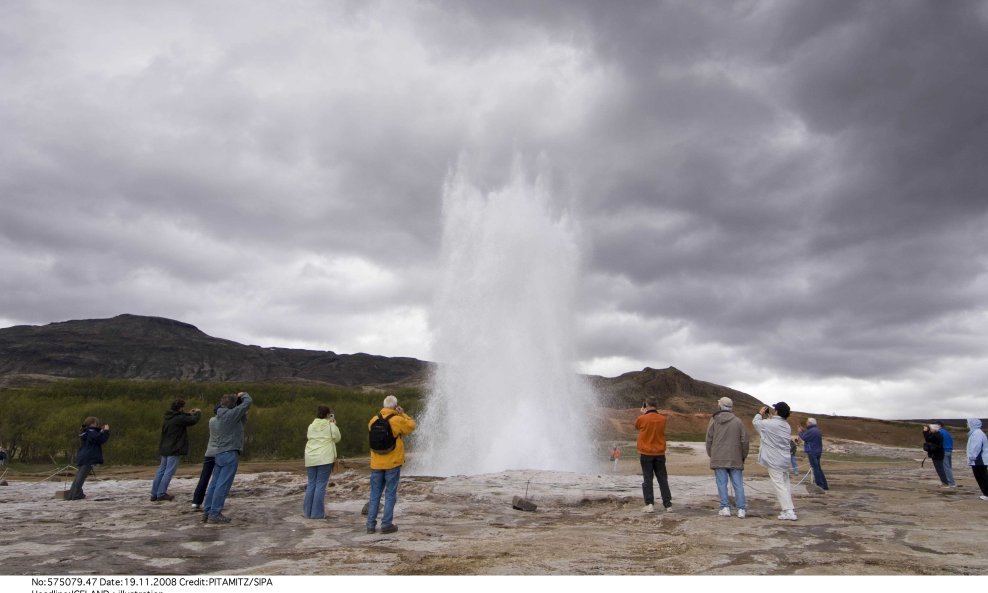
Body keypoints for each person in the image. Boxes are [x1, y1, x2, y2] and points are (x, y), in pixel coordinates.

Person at [366, 395, 416, 534]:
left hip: (376, 463)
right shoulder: (397, 420)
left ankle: (370, 525)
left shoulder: (373, 420)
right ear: (395, 406)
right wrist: (403, 413)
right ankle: (386, 524)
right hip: (392, 463)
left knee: (374, 494)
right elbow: (412, 426)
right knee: (390, 494)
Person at [201, 392, 252, 524]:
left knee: (214, 484)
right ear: (233, 404)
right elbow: (248, 403)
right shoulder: (230, 415)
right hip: (229, 453)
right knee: (223, 485)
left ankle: (207, 511)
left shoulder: (218, 416)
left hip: (219, 453)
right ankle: (215, 513)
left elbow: (241, 420)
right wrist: (244, 394)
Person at [705, 396, 749, 518]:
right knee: (738, 484)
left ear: (720, 405)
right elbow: (744, 441)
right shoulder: (738, 421)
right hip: (735, 457)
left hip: (718, 456)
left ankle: (725, 507)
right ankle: (741, 509)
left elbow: (708, 439)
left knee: (721, 483)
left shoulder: (714, 420)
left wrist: (711, 454)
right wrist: (743, 456)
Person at [753, 402, 797, 521]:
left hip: (774, 460)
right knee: (785, 484)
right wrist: (768, 417)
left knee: (779, 485)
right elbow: (772, 426)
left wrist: (760, 413)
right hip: (784, 459)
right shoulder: (786, 425)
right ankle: (787, 509)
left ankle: (789, 510)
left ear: (777, 411)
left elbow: (756, 423)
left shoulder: (771, 423)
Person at [150, 399, 202, 502]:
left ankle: (154, 493)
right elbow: (192, 421)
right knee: (169, 471)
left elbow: (182, 417)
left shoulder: (168, 417)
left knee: (161, 471)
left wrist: (188, 414)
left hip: (165, 447)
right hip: (174, 448)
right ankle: (161, 493)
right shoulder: (178, 419)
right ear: (180, 408)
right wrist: (198, 413)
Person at [303, 406, 342, 519]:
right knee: (320, 485)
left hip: (310, 457)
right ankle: (317, 514)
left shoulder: (311, 426)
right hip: (325, 457)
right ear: (327, 415)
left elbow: (309, 436)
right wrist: (334, 424)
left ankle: (307, 512)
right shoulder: (330, 426)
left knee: (311, 484)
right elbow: (338, 438)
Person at [635, 399, 672, 513]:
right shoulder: (663, 419)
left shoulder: (642, 418)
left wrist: (643, 413)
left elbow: (637, 426)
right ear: (656, 405)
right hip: (660, 453)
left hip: (646, 453)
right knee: (662, 479)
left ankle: (649, 504)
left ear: (646, 405)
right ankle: (668, 505)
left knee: (647, 478)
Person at [66, 417, 110, 501]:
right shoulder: (91, 431)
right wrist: (106, 431)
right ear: (93, 423)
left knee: (79, 476)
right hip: (89, 456)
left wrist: (101, 431)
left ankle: (72, 494)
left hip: (83, 455)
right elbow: (100, 439)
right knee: (81, 476)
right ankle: (76, 494)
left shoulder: (86, 431)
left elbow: (95, 437)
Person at [191, 403, 222, 512]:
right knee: (217, 480)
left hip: (209, 453)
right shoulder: (224, 422)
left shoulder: (211, 420)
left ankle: (196, 501)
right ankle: (213, 502)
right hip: (220, 453)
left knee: (204, 478)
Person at [798, 418, 829, 491]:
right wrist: (803, 431)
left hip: (812, 451)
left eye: (807, 422)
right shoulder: (816, 430)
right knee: (818, 468)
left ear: (810, 423)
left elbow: (805, 437)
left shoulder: (812, 431)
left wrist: (800, 432)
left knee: (815, 469)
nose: (806, 424)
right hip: (817, 451)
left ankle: (820, 485)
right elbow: (808, 436)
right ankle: (824, 485)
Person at [965, 418, 988, 500]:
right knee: (981, 476)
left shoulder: (977, 433)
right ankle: (986, 493)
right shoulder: (975, 432)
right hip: (978, 459)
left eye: (968, 423)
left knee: (982, 477)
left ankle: (987, 494)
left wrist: (972, 457)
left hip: (979, 459)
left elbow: (976, 447)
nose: (967, 424)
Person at [937, 422, 956, 487]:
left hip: (944, 450)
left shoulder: (939, 432)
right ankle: (951, 482)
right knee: (948, 467)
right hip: (949, 450)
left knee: (946, 468)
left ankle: (951, 483)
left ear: (939, 425)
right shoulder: (947, 432)